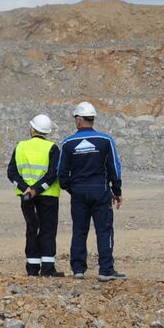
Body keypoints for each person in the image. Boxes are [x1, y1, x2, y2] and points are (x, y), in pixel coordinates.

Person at [58, 102, 126, 281]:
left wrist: (71, 188)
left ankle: (78, 269)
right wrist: (116, 190)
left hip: (79, 192)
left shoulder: (68, 142)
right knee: (104, 230)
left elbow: (61, 172)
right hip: (100, 191)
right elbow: (114, 167)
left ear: (79, 120)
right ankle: (106, 270)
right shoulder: (105, 140)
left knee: (79, 231)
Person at [6, 114, 63, 276]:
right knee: (48, 229)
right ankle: (47, 268)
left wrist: (26, 189)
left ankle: (32, 268)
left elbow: (11, 172)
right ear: (47, 132)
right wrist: (37, 189)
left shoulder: (20, 147)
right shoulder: (52, 148)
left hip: (26, 197)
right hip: (48, 196)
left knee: (32, 228)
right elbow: (53, 174)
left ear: (32, 129)